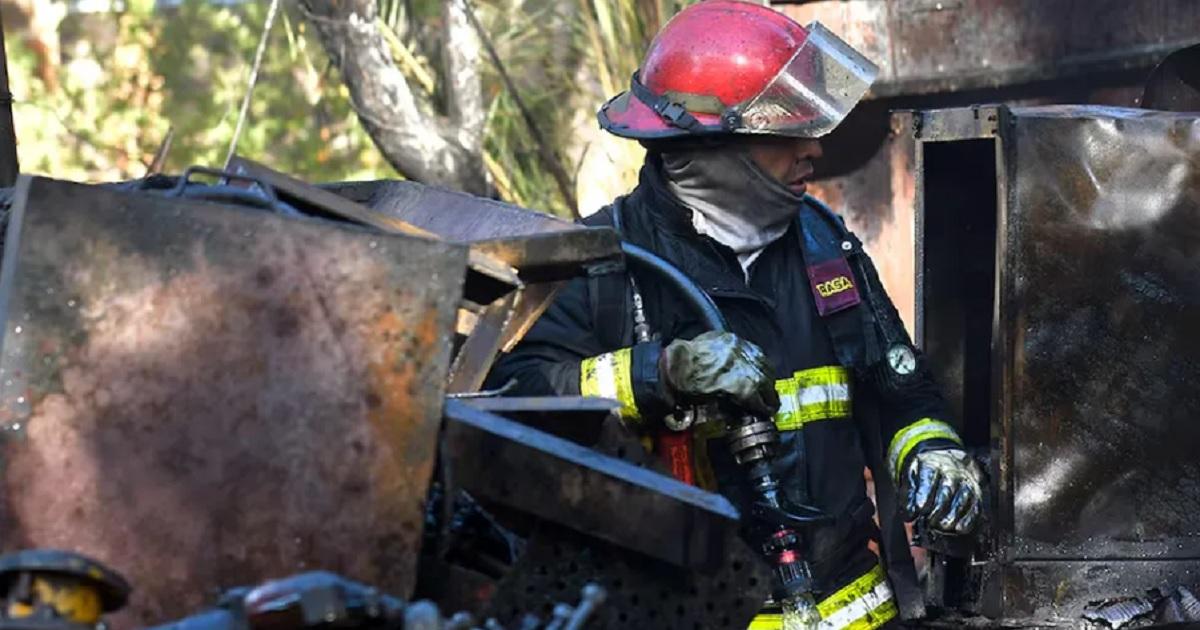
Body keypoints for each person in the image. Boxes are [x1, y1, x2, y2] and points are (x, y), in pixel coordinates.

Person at [486, 2, 984, 628]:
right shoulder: (603, 266)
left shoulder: (827, 246)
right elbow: (515, 404)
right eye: (784, 132)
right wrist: (658, 373)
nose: (814, 148)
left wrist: (932, 450)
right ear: (706, 146)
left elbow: (903, 395)